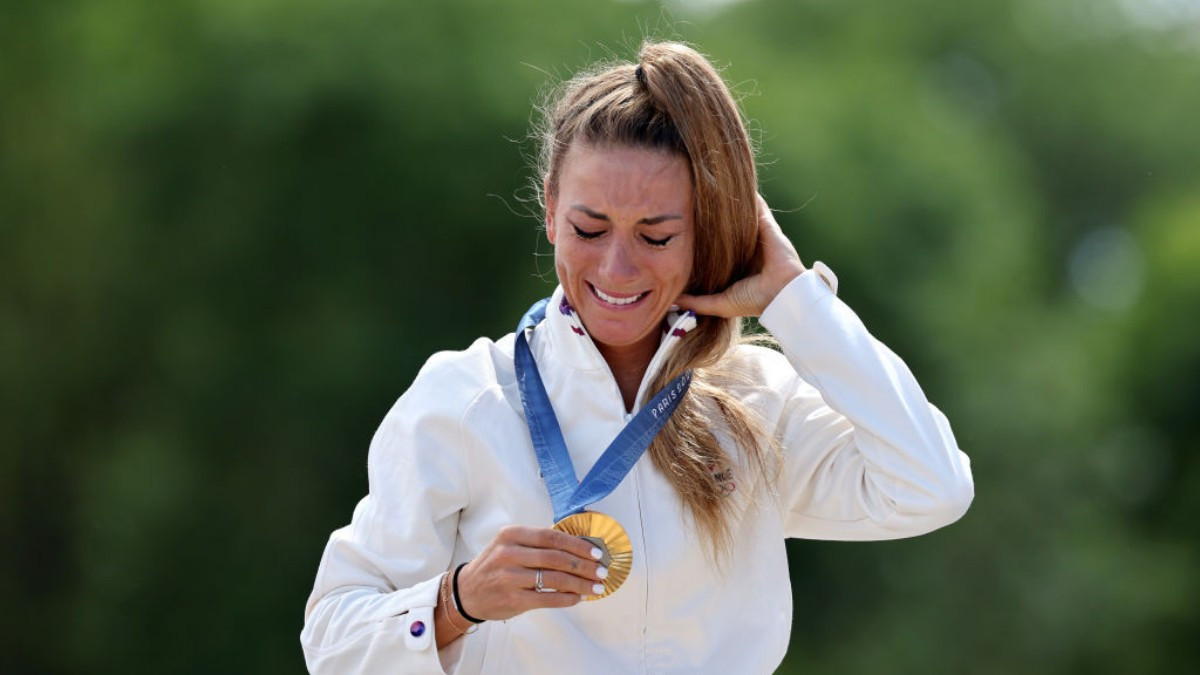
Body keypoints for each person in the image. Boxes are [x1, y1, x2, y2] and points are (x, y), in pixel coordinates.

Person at [300, 41, 974, 675]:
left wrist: (796, 302)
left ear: (702, 232)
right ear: (550, 211)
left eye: (656, 236)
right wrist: (459, 599)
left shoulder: (759, 399)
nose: (616, 268)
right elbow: (330, 642)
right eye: (589, 229)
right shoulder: (467, 398)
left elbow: (932, 487)